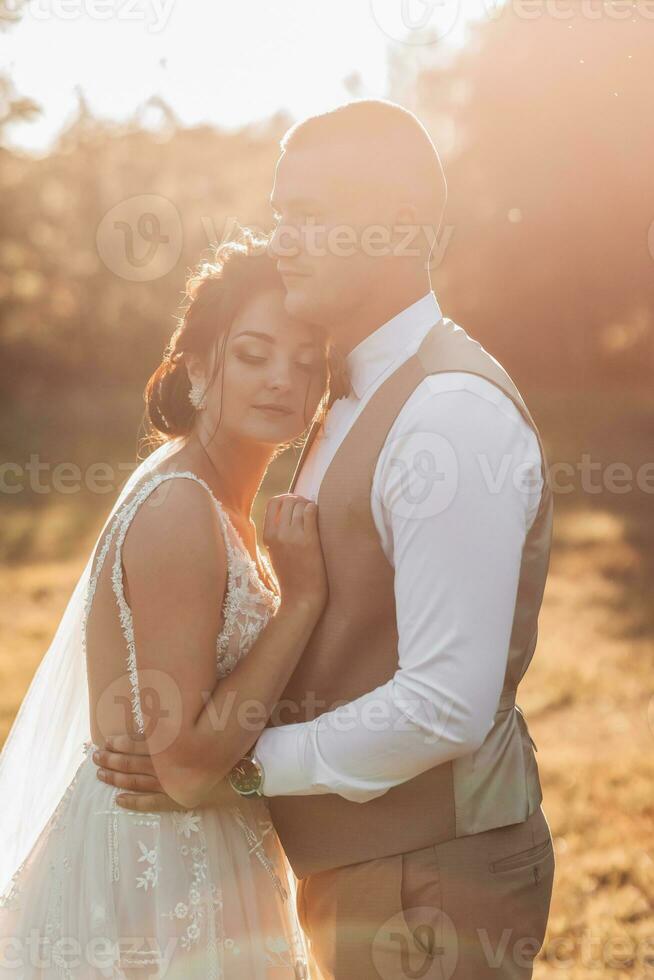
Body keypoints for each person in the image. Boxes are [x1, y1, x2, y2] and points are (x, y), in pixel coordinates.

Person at [98, 100, 556, 979]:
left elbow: (442, 705)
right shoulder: (342, 389)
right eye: (280, 214)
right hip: (367, 875)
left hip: (430, 878)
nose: (284, 240)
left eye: (312, 215)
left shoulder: (448, 416)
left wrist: (229, 768)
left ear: (398, 228)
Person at [0, 231, 332, 978]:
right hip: (157, 869)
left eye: (307, 363)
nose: (284, 378)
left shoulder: (225, 502)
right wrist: (301, 600)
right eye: (254, 354)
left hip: (210, 850)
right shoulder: (182, 506)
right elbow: (182, 768)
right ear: (197, 369)